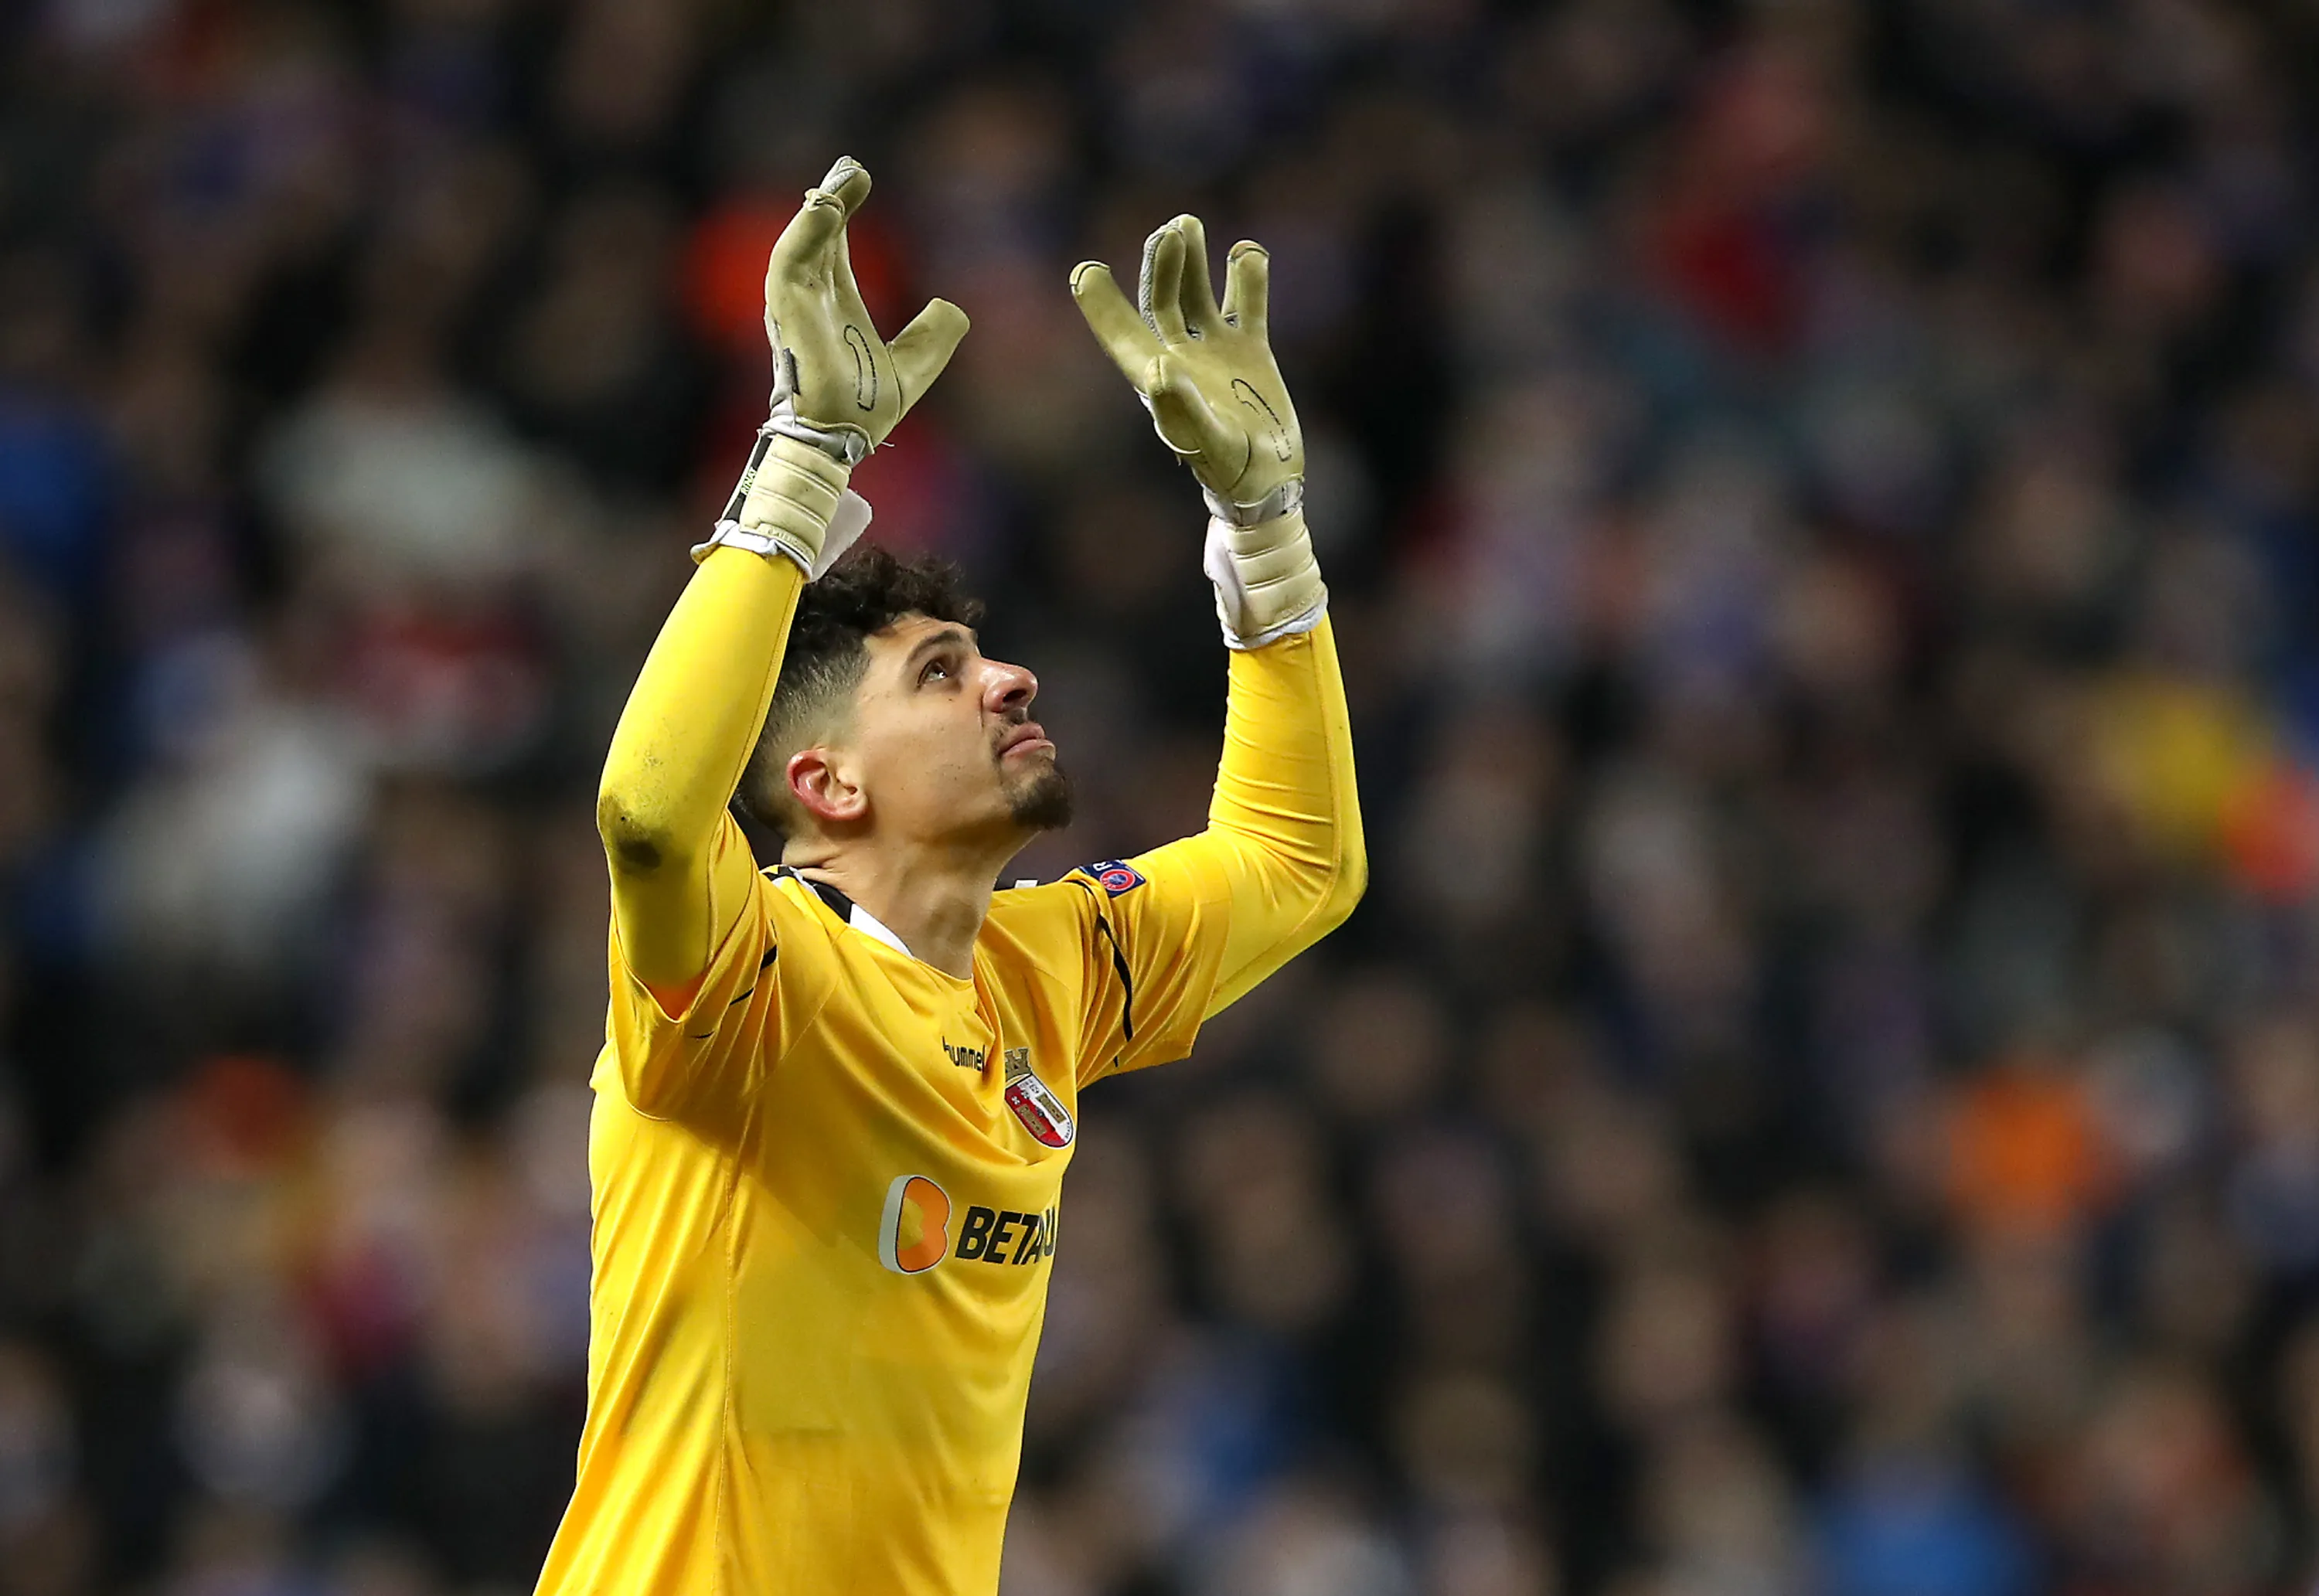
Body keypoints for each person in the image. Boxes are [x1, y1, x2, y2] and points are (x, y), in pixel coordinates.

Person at [531, 156, 1364, 1596]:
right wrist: (800, 463)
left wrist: (1266, 533)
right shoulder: (754, 992)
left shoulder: (1048, 978)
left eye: (984, 655)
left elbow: (1301, 864)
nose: (1011, 676)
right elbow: (654, 819)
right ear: (827, 785)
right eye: (941, 674)